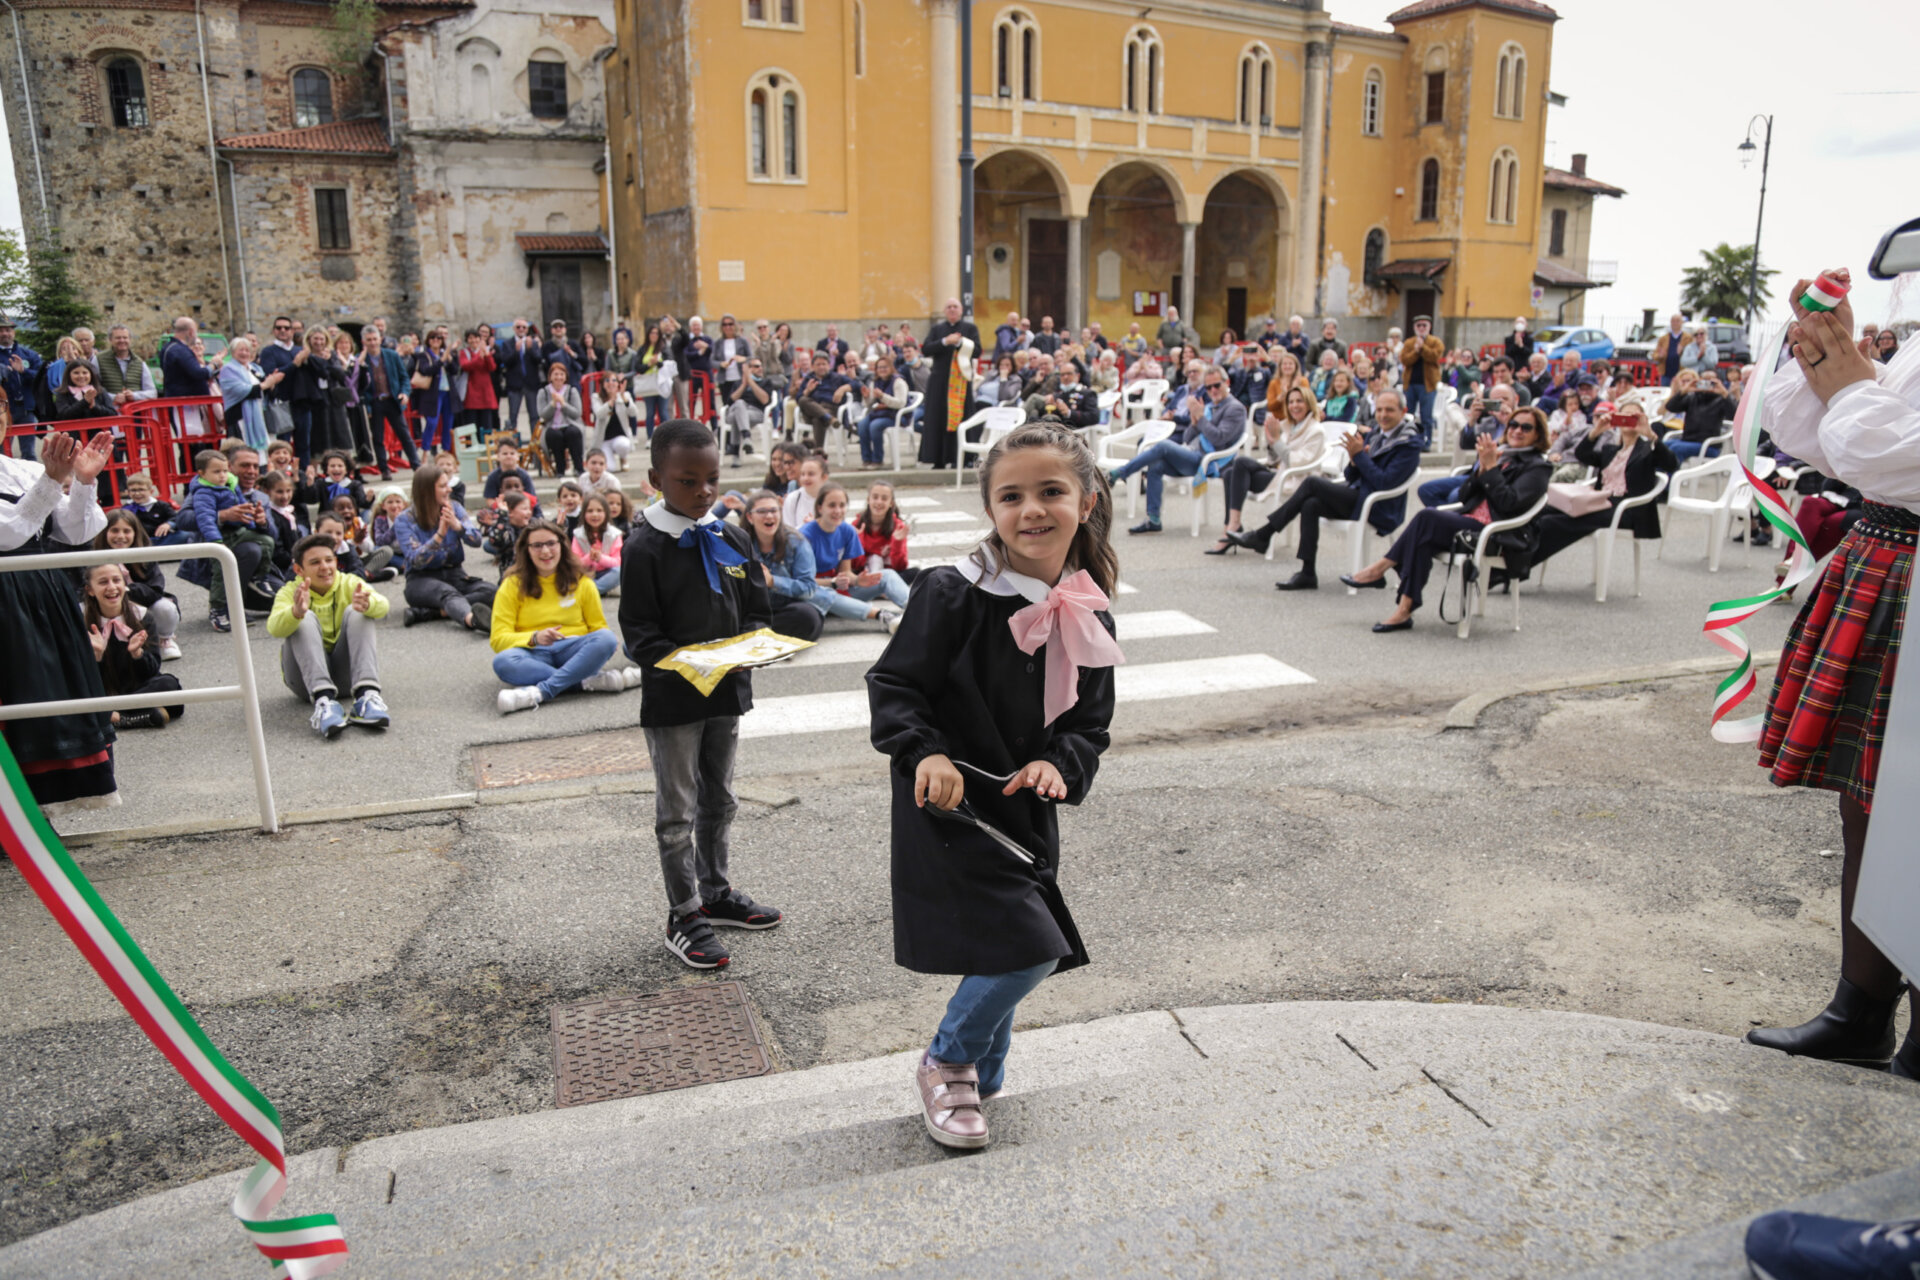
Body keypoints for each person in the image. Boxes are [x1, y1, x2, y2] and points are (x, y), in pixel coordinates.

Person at [868, 420, 1119, 1150]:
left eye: (1051, 491)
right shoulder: (950, 593)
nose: (1031, 510)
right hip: (949, 806)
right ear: (990, 509)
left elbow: (1089, 724)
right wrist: (925, 754)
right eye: (1012, 496)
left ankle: (982, 1070)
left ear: (1088, 498)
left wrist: (1060, 765)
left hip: (1023, 810)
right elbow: (894, 686)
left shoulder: (1085, 600)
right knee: (1030, 947)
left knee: (1006, 944)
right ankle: (948, 1060)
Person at [1744, 269, 1920, 1083]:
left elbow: (1889, 453)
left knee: (1913, 814)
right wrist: (1825, 356)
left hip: (1907, 566)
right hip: (1887, 562)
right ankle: (1862, 1007)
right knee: (1870, 808)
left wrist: (1852, 387)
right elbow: (1818, 441)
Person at [617, 420, 784, 969]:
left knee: (722, 799)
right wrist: (689, 664)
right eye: (688, 481)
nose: (704, 491)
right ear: (656, 479)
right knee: (677, 811)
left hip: (726, 690)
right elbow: (641, 633)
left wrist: (756, 644)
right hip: (676, 700)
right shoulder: (645, 545)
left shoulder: (731, 535)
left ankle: (715, 892)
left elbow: (755, 606)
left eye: (712, 478)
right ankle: (683, 911)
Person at [1344, 406, 1552, 628]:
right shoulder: (1501, 455)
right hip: (1472, 524)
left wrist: (1491, 469)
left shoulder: (1538, 467)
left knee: (1427, 518)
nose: (1517, 430)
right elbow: (1464, 496)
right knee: (1422, 539)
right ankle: (1403, 610)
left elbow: (1508, 504)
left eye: (1526, 427)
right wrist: (1482, 469)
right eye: (1513, 425)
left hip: (1498, 534)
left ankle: (1381, 568)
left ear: (1538, 434)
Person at [0, 432, 117, 809]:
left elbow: (78, 530)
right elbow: (9, 533)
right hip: (6, 595)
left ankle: (36, 811)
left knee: (48, 695)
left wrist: (83, 480)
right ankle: (14, 819)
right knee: (18, 695)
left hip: (42, 590)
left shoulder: (24, 468)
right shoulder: (41, 473)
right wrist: (51, 480)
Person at [1222, 390, 1423, 590]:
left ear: (1403, 411)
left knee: (1312, 484)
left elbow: (1384, 483)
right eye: (1379, 410)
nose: (1383, 415)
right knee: (1311, 504)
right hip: (1360, 495)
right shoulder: (1376, 434)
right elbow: (1352, 475)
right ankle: (1307, 572)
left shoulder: (1408, 443)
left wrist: (1360, 457)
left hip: (1379, 506)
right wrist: (1354, 462)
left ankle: (1264, 535)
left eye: (1389, 410)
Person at [489, 519, 632, 714]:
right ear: (527, 550)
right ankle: (582, 681)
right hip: (533, 654)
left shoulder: (583, 582)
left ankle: (542, 691)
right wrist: (535, 638)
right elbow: (498, 640)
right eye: (537, 545)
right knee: (503, 661)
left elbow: (598, 628)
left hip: (573, 650)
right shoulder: (511, 585)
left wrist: (606, 640)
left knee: (605, 639)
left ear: (562, 546)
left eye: (550, 544)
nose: (545, 551)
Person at [1529, 395, 1677, 572]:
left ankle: (1519, 568)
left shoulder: (1647, 449)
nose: (1628, 420)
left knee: (1552, 523)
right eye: (1624, 416)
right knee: (1543, 512)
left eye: (1634, 416)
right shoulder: (1611, 450)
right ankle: (1517, 561)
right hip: (1601, 502)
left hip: (1627, 509)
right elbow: (1582, 455)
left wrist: (1650, 435)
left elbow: (1671, 464)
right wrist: (1596, 431)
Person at [267, 532, 392, 739]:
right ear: (299, 569)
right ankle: (324, 703)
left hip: (347, 678)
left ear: (336, 562)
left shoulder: (350, 583)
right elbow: (273, 628)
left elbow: (384, 606)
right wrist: (295, 612)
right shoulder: (291, 591)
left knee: (359, 611)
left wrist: (369, 605)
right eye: (315, 562)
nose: (324, 567)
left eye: (329, 560)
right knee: (301, 616)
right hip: (305, 683)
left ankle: (367, 697)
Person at [1107, 364, 1247, 534]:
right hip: (1194, 455)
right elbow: (1188, 437)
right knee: (1156, 464)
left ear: (1227, 383)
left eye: (1217, 385)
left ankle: (1120, 473)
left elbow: (1219, 438)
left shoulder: (1235, 408)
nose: (1213, 390)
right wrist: (1195, 423)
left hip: (1211, 461)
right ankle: (1154, 519)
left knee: (1163, 446)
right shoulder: (1210, 406)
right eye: (1209, 387)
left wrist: (1200, 417)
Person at [1207, 385, 1326, 554]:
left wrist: (1276, 441)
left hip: (1295, 480)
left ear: (1309, 404)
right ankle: (1232, 525)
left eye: (1299, 401)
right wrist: (1271, 443)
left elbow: (1296, 463)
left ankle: (1232, 526)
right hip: (1280, 473)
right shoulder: (1289, 425)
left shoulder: (1316, 431)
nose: (1294, 405)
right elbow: (1274, 460)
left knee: (1240, 464)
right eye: (1291, 402)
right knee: (1230, 473)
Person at [77, 561, 181, 732]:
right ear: (90, 590)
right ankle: (132, 717)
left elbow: (153, 670)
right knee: (68, 697)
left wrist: (138, 654)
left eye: (116, 580)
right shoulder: (82, 622)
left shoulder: (142, 616)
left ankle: (115, 716)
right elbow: (79, 677)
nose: (112, 587)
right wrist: (97, 657)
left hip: (136, 689)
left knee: (169, 684)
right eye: (103, 582)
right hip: (101, 692)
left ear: (125, 584)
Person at [183, 447, 279, 631]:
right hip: (219, 549)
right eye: (244, 465)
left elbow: (272, 535)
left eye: (254, 466)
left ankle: (258, 582)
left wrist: (260, 522)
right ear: (232, 466)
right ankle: (224, 607)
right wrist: (223, 515)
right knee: (250, 550)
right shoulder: (204, 488)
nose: (251, 471)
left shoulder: (259, 496)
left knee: (281, 599)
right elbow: (182, 520)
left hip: (255, 561)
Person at [393, 462, 495, 632]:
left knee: (491, 591)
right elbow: (416, 560)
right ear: (426, 490)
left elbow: (476, 541)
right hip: (421, 580)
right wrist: (439, 535)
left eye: (448, 484)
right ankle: (474, 621)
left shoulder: (454, 507)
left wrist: (457, 526)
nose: (448, 490)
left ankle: (429, 613)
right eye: (442, 486)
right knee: (448, 593)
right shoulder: (405, 519)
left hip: (454, 574)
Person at [803, 482, 907, 628]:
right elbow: (801, 583)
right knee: (823, 593)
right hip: (816, 592)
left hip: (838, 589)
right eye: (832, 505)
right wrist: (832, 582)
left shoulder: (847, 530)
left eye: (842, 505)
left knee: (888, 575)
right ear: (820, 508)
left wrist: (858, 580)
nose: (838, 511)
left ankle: (919, 607)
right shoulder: (806, 535)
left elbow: (845, 572)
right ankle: (883, 616)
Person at [96, 509, 182, 661]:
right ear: (104, 532)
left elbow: (155, 589)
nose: (120, 536)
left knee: (165, 607)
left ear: (135, 533)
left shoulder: (145, 555)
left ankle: (165, 639)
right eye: (114, 530)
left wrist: (126, 590)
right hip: (106, 607)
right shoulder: (93, 556)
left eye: (126, 531)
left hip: (140, 603)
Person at [744, 488, 826, 642]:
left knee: (808, 617)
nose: (769, 516)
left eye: (774, 510)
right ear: (750, 517)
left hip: (787, 608)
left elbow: (808, 588)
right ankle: (762, 634)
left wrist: (772, 581)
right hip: (754, 611)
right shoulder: (740, 543)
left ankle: (759, 635)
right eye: (762, 511)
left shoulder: (797, 542)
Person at [919, 299, 982, 469]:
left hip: (960, 382)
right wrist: (945, 341)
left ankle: (962, 457)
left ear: (961, 310)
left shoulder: (970, 329)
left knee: (962, 418)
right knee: (938, 419)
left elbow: (977, 350)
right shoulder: (937, 330)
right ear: (945, 311)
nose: (952, 310)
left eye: (955, 307)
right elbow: (926, 349)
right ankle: (938, 459)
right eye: (949, 307)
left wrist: (960, 343)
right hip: (940, 382)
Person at [1662, 368, 1737, 461]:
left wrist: (1724, 393)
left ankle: (1673, 474)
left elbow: (1734, 416)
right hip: (1687, 440)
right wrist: (1684, 391)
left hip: (1709, 445)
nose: (1707, 383)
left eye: (1711, 381)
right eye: (1704, 380)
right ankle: (1659, 473)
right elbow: (1670, 407)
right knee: (1663, 446)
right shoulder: (1692, 397)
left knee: (1676, 448)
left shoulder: (1721, 400)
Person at [852, 480, 915, 585]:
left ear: (891, 503)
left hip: (889, 573)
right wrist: (858, 541)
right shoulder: (857, 525)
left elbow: (900, 566)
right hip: (864, 572)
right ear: (868, 500)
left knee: (915, 573)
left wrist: (897, 543)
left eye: (884, 498)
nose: (879, 502)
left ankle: (879, 588)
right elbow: (855, 565)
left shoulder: (898, 526)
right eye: (875, 497)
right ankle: (880, 589)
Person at [855, 353, 909, 469]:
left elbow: (901, 403)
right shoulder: (875, 382)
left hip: (895, 415)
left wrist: (883, 396)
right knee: (862, 425)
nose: (882, 370)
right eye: (879, 367)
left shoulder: (898, 382)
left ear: (891, 368)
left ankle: (877, 460)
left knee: (875, 426)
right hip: (878, 413)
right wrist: (866, 397)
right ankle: (866, 459)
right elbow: (868, 404)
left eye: (885, 367)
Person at [536, 360, 586, 477]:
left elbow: (577, 413)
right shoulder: (543, 392)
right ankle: (560, 469)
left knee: (573, 433)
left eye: (561, 374)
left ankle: (578, 468)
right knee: (555, 436)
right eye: (556, 374)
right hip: (552, 426)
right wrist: (553, 404)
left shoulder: (571, 391)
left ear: (565, 377)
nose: (558, 377)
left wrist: (563, 404)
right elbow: (542, 415)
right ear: (550, 377)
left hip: (570, 424)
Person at [410, 329, 455, 454]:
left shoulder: (445, 353)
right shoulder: (424, 355)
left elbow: (455, 370)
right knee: (431, 423)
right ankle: (425, 451)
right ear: (428, 341)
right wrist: (441, 361)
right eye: (433, 338)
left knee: (448, 423)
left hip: (447, 392)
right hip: (433, 394)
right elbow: (426, 370)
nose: (436, 340)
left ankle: (446, 451)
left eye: (439, 338)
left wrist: (449, 360)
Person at [572, 493, 623, 595]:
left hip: (606, 572)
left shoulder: (614, 534)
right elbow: (576, 563)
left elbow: (618, 562)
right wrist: (589, 558)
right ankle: (595, 590)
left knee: (619, 571)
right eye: (590, 511)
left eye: (599, 510)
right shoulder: (578, 534)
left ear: (606, 513)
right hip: (586, 573)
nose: (595, 514)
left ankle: (591, 591)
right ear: (583, 514)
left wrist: (600, 558)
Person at [458, 328, 500, 443]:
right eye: (470, 338)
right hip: (471, 393)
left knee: (487, 426)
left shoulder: (485, 351)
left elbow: (492, 367)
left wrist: (486, 355)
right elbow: (466, 366)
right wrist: (479, 357)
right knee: (471, 426)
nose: (473, 340)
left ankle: (487, 449)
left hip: (485, 393)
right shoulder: (464, 352)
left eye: (476, 337)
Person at [1649, 313, 1688, 386]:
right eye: (1673, 321)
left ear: (1682, 323)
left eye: (1677, 321)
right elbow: (1655, 355)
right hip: (1666, 374)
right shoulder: (1663, 338)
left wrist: (1682, 352)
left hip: (1681, 373)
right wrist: (1660, 356)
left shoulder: (1688, 338)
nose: (1675, 323)